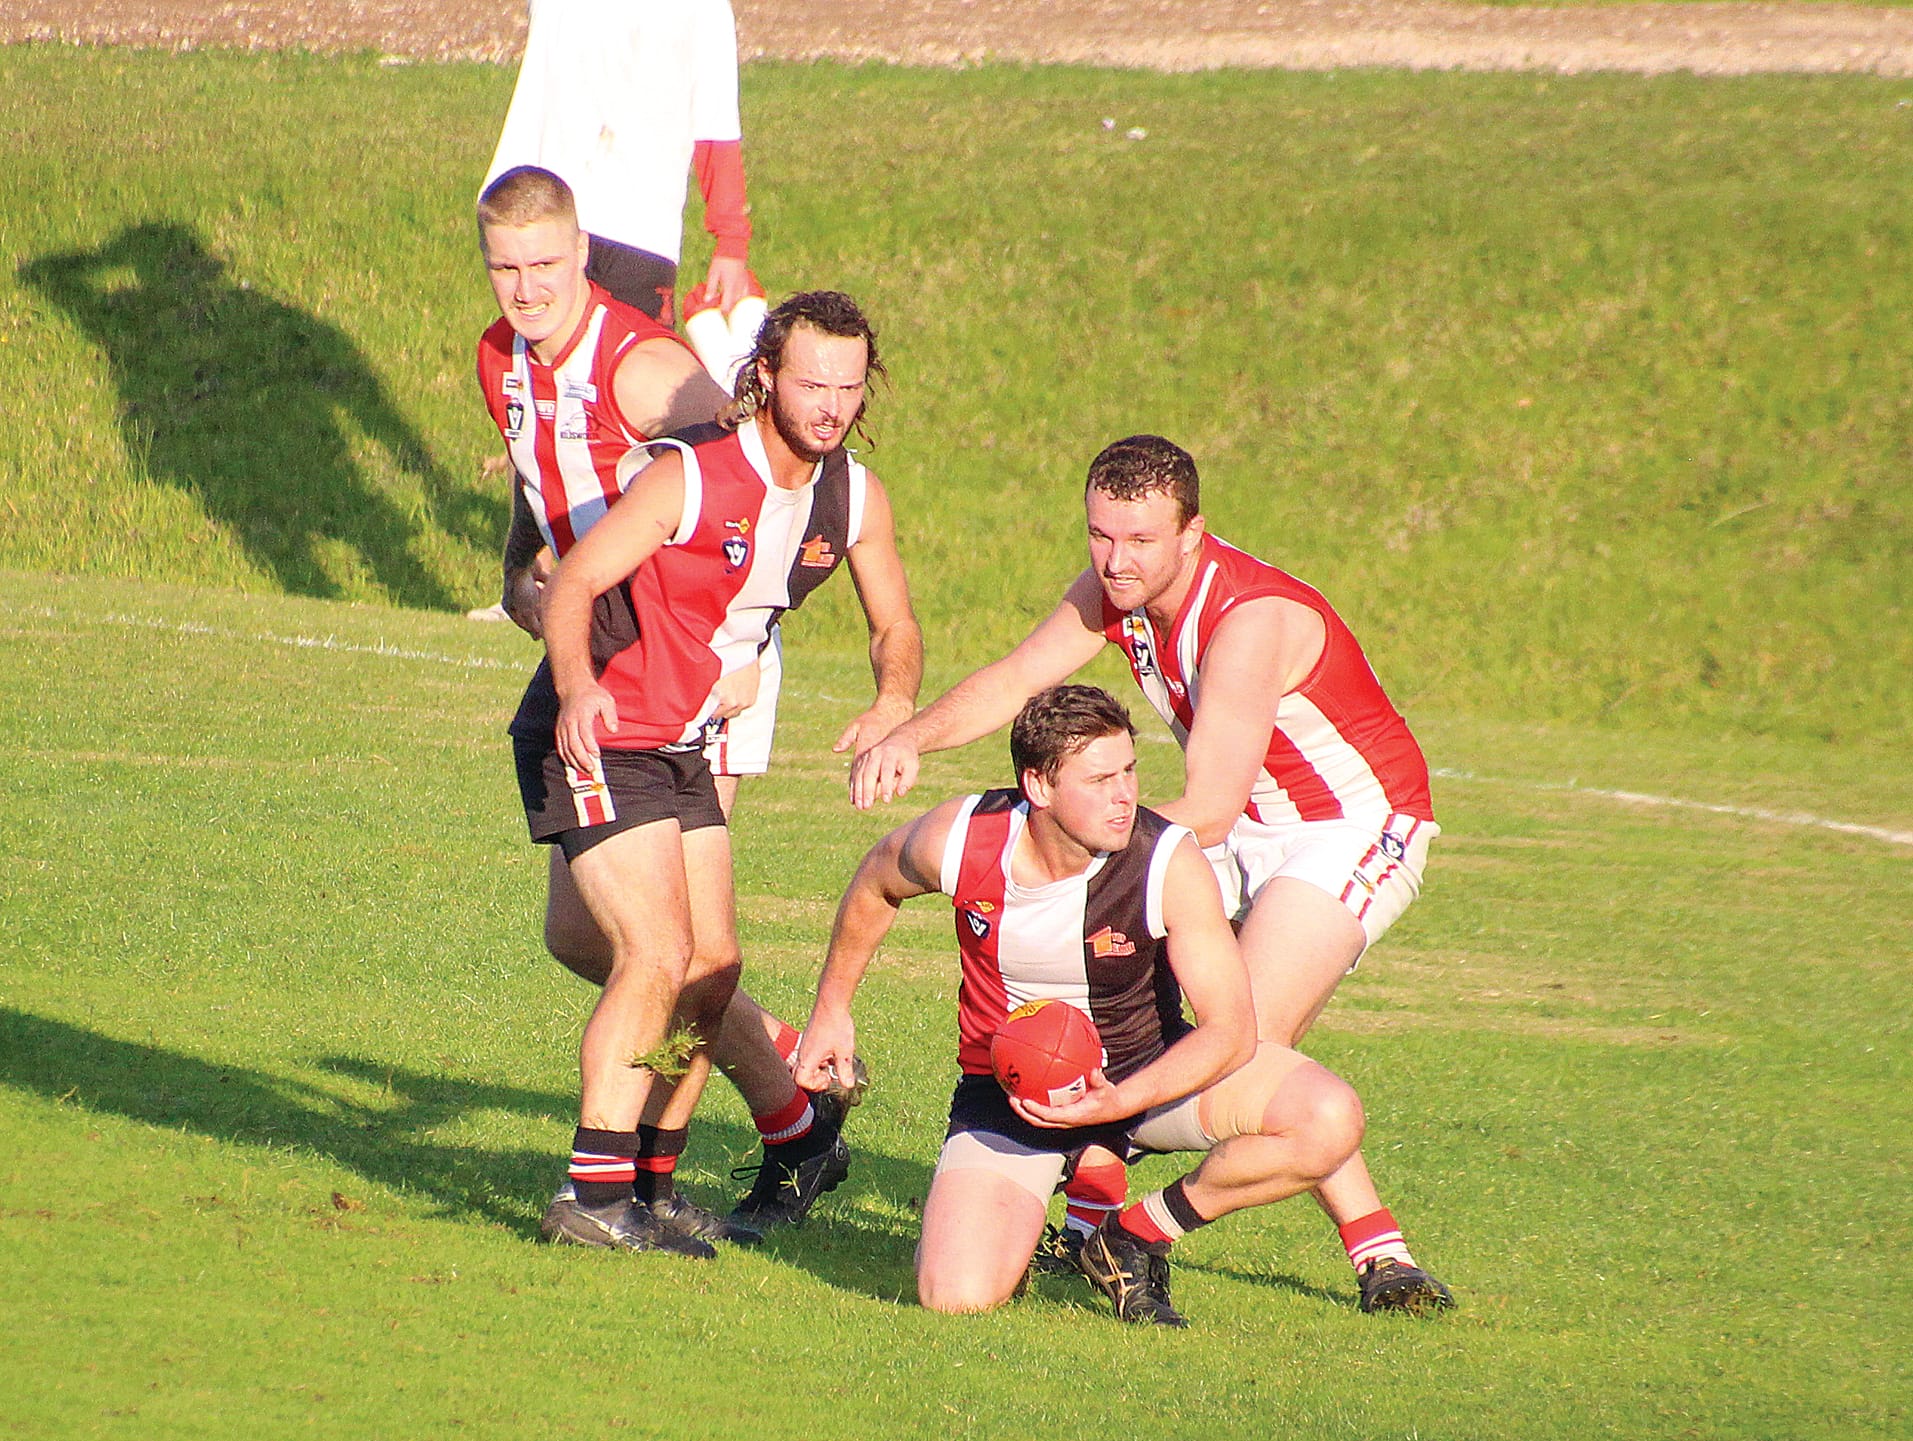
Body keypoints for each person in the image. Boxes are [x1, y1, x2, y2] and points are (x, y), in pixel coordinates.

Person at [849, 435, 1453, 1314]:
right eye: (1101, 535)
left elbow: (1204, 804)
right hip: (1242, 822)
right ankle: (1373, 1250)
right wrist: (908, 734)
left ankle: (1132, 1231)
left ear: (1192, 535)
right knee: (1197, 1032)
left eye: (1139, 542)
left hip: (1345, 825)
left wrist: (1081, 855)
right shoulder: (1114, 592)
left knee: (1241, 1030)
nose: (1115, 560)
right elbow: (1019, 676)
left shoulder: (1246, 623)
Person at [520, 280, 921, 1249]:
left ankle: (652, 1193)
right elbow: (572, 579)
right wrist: (576, 688)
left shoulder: (853, 497)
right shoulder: (690, 476)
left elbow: (895, 624)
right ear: (768, 376)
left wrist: (893, 702)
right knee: (655, 955)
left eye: (849, 386)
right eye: (811, 382)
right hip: (602, 725)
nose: (829, 403)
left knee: (709, 967)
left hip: (682, 735)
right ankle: (592, 1194)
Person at [795, 685, 1366, 1325]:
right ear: (1039, 786)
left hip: (1147, 1080)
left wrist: (1121, 1101)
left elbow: (1231, 1031)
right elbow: (877, 881)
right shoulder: (961, 838)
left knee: (1326, 1117)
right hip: (1010, 1095)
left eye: (1128, 771)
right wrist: (831, 1009)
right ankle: (1063, 1177)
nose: (1125, 795)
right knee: (955, 1296)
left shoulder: (1166, 860)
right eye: (1099, 779)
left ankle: (1132, 1234)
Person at [485, 0, 755, 325]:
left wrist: (731, 242)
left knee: (640, 367)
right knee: (543, 369)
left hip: (636, 231)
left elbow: (715, 128)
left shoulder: (700, 8)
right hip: (540, 219)